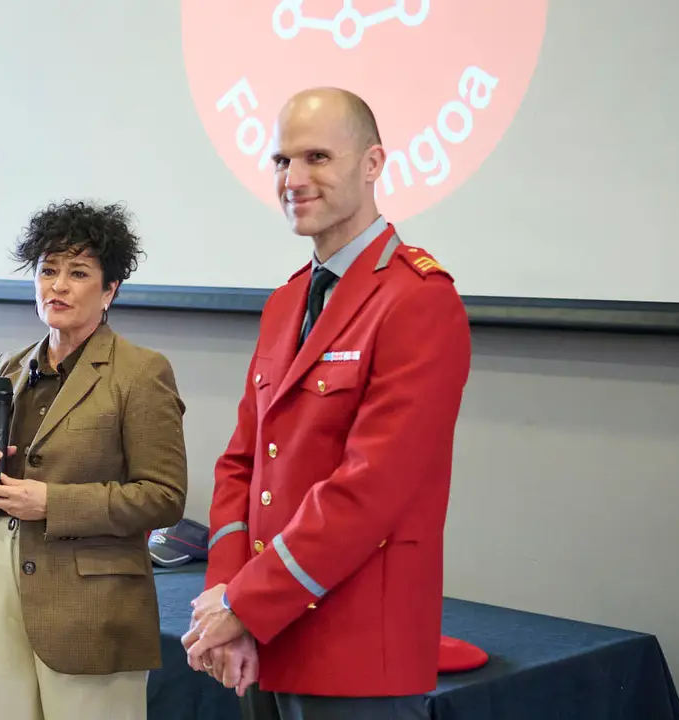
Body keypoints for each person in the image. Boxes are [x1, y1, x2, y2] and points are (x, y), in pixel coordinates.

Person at [180, 87, 473, 719]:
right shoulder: (287, 301)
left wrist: (243, 604)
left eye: (317, 157)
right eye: (281, 161)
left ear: (372, 164)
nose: (293, 179)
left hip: (354, 654)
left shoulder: (418, 300)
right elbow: (242, 465)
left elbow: (370, 491)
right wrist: (229, 596)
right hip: (262, 642)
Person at [0, 199, 189, 720]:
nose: (57, 286)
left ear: (109, 290)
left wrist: (53, 503)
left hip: (90, 598)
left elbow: (163, 497)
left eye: (78, 273)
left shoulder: (141, 372)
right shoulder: (10, 367)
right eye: (47, 270)